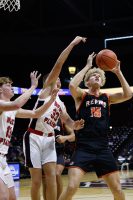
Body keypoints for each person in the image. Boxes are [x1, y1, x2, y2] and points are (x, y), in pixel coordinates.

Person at [58, 52, 133, 200]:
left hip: (102, 148)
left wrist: (118, 72)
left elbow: (128, 94)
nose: (97, 76)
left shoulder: (107, 98)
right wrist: (87, 66)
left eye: (99, 76)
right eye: (93, 76)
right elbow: (72, 85)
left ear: (103, 81)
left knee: (118, 189)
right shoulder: (82, 96)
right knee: (72, 186)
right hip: (84, 147)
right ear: (87, 82)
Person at [23, 36, 85, 200]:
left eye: (58, 78)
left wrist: (76, 125)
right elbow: (59, 65)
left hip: (49, 139)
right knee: (36, 180)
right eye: (54, 78)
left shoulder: (61, 104)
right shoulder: (45, 93)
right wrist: (72, 44)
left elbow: (68, 121)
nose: (58, 78)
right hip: (34, 136)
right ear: (48, 82)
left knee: (51, 177)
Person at [0, 71, 58, 200]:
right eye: (8, 85)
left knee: (11, 198)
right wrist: (32, 87)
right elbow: (16, 104)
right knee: (3, 197)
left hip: (3, 158)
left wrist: (51, 101)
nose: (11, 87)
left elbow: (36, 113)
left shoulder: (13, 111)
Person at [42, 119, 75, 200]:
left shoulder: (62, 121)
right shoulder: (42, 118)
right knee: (45, 180)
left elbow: (73, 136)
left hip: (58, 152)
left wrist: (65, 137)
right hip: (44, 152)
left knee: (56, 174)